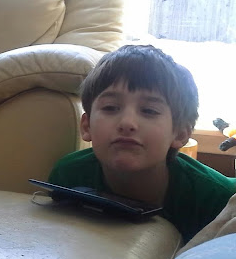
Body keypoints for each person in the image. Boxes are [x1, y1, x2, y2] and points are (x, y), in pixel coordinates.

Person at [48, 44, 236, 244]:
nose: (127, 123)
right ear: (87, 126)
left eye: (149, 111)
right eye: (110, 107)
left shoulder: (218, 199)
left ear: (180, 134)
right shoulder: (68, 175)